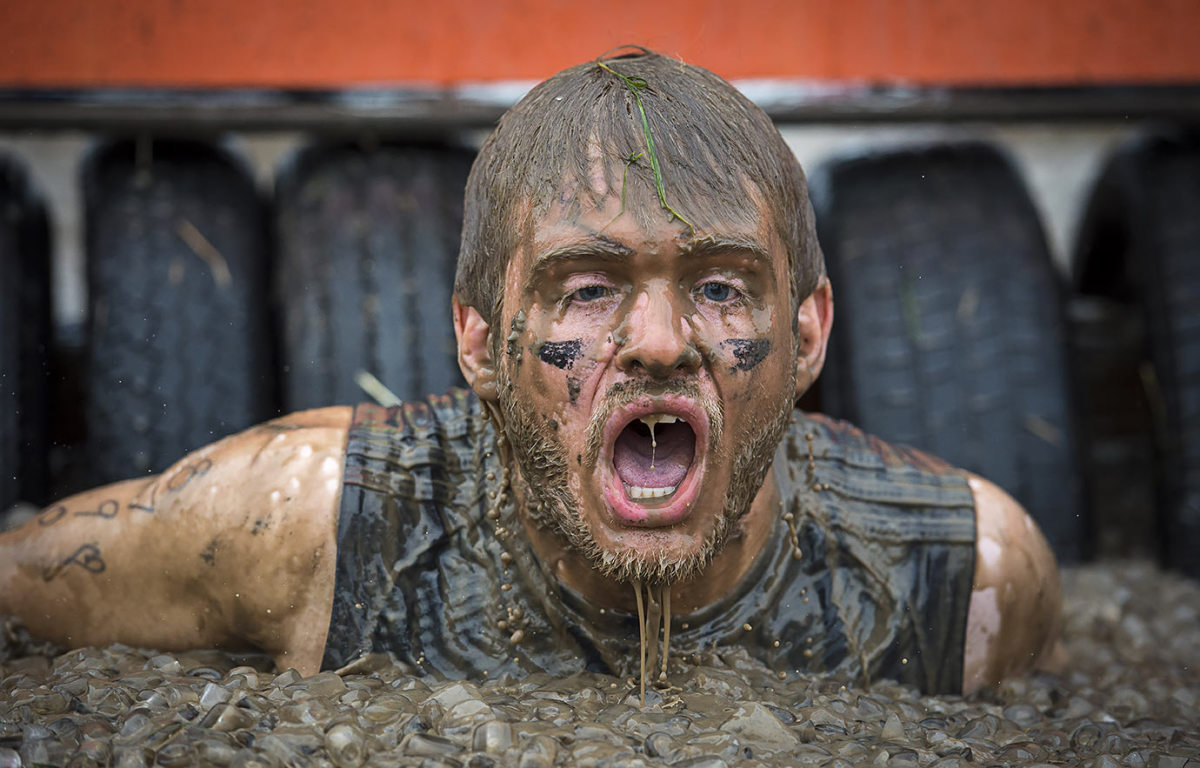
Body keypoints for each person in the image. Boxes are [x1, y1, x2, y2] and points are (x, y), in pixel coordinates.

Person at [0, 49, 1062, 696]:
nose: (657, 341)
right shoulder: (301, 529)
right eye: (586, 289)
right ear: (476, 340)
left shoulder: (959, 584)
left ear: (813, 331)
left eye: (724, 287)